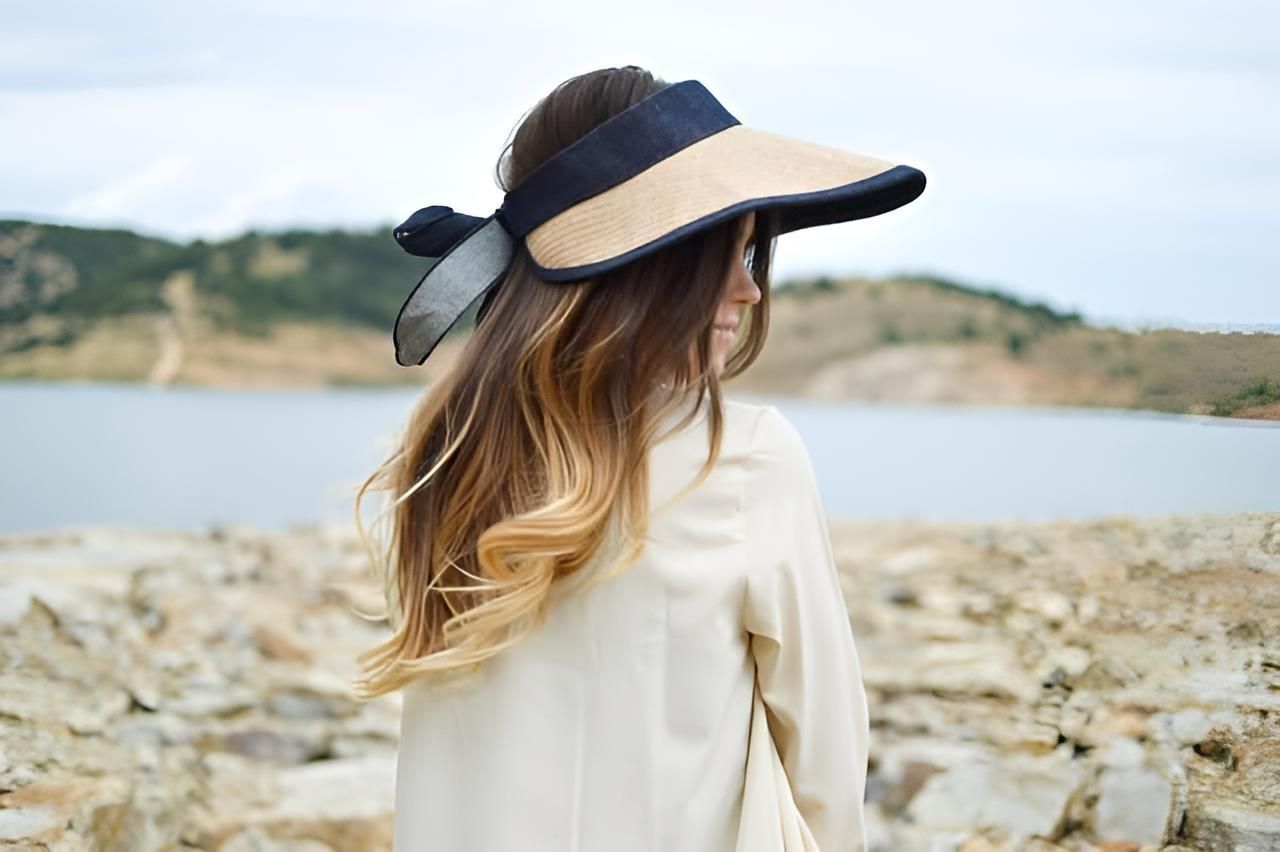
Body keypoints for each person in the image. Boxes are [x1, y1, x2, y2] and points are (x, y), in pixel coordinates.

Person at [352, 65, 926, 852]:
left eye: (751, 253)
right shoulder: (743, 456)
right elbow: (823, 747)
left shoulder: (446, 456)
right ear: (640, 264)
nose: (748, 290)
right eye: (716, 252)